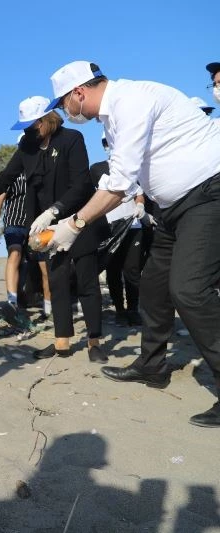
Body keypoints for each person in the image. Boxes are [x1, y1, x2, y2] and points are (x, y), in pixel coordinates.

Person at [41, 60, 220, 427]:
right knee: (153, 287)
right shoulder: (112, 116)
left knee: (189, 290)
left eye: (62, 104)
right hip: (173, 209)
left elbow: (119, 182)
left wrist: (74, 224)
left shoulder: (131, 101)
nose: (65, 111)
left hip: (207, 194)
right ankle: (153, 366)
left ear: (79, 92)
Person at [0, 95, 108, 363]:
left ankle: (94, 341)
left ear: (47, 120)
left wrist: (55, 209)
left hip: (78, 219)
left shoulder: (71, 140)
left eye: (33, 125)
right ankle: (62, 341)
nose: (29, 131)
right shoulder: (27, 147)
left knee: (87, 281)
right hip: (47, 228)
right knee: (57, 281)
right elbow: (5, 177)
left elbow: (80, 184)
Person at [89, 135, 151, 327]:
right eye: (106, 143)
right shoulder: (97, 169)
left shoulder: (134, 167)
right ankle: (120, 310)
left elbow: (140, 193)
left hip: (133, 226)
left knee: (132, 270)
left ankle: (133, 309)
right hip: (110, 227)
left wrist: (140, 207)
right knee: (113, 270)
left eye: (112, 142)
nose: (110, 146)